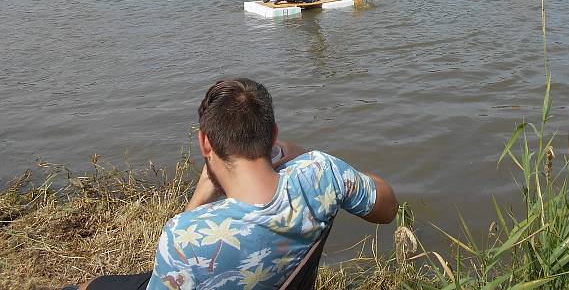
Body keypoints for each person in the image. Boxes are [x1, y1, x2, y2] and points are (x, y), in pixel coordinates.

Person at [69, 78, 399, 290]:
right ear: (273, 135)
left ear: (205, 144)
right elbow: (387, 209)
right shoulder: (321, 173)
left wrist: (202, 192)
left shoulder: (186, 237)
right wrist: (302, 155)